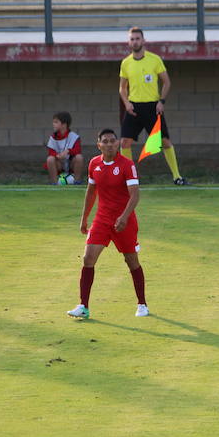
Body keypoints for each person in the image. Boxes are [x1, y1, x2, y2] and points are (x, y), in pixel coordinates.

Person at [66, 128, 148, 319]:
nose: (110, 144)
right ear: (99, 145)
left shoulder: (127, 165)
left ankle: (142, 304)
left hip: (124, 222)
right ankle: (83, 306)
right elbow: (91, 192)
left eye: (113, 141)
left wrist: (124, 217)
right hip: (102, 220)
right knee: (88, 258)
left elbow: (135, 195)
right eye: (105, 141)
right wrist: (84, 218)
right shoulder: (94, 163)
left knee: (131, 261)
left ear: (117, 143)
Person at [118, 26, 188, 185]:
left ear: (143, 41)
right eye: (132, 39)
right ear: (129, 42)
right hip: (134, 108)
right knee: (124, 142)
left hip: (152, 108)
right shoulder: (126, 63)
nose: (135, 42)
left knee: (165, 142)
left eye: (137, 38)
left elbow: (167, 82)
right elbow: (122, 88)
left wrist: (161, 101)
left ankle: (177, 177)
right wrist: (127, 103)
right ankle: (129, 178)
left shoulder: (155, 59)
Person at [45, 111, 85, 185]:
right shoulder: (53, 137)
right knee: (50, 159)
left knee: (79, 157)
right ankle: (54, 183)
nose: (53, 124)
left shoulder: (74, 136)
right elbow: (51, 152)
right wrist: (58, 156)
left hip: (70, 163)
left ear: (64, 124)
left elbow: (77, 150)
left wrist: (68, 151)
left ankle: (77, 181)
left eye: (56, 122)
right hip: (59, 164)